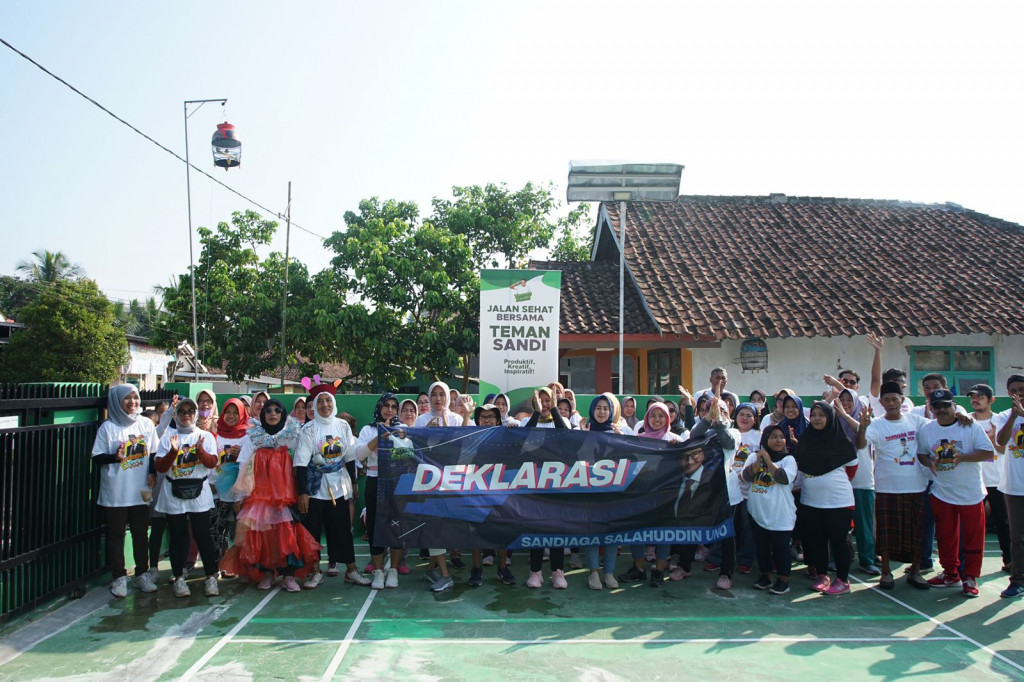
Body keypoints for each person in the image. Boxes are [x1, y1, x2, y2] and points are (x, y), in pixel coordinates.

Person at [220, 399, 322, 592]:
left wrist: (302, 491)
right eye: (268, 410)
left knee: (287, 535)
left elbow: (301, 461)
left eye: (277, 410)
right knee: (263, 536)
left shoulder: (292, 435)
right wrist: (239, 496)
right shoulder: (253, 437)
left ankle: (289, 575)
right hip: (260, 495)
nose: (272, 414)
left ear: (283, 414)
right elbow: (244, 465)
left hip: (286, 494)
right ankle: (267, 573)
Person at [917, 389, 993, 597]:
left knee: (972, 538)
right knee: (945, 537)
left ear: (954, 407)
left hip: (970, 493)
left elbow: (988, 452)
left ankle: (970, 576)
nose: (941, 410)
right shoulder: (927, 429)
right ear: (931, 408)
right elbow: (922, 453)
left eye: (946, 406)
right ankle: (950, 573)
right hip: (942, 492)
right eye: (937, 406)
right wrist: (928, 461)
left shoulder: (969, 426)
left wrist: (962, 457)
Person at [856, 381, 931, 590]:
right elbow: (861, 444)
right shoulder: (876, 424)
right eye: (886, 400)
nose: (891, 403)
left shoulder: (917, 422)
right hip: (887, 487)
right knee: (887, 534)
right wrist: (862, 427)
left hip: (915, 486)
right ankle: (886, 572)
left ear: (902, 400)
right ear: (881, 402)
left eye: (894, 399)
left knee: (916, 532)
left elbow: (939, 428)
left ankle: (915, 571)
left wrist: (962, 417)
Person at [295, 385, 369, 589]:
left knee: (343, 529)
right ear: (315, 405)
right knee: (313, 529)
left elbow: (350, 456)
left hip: (339, 485)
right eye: (320, 401)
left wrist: (354, 483)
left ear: (334, 403)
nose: (325, 405)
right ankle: (315, 571)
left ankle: (351, 570)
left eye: (328, 401)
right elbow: (300, 462)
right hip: (315, 487)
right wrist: (302, 492)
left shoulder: (343, 426)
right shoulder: (309, 429)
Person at [91, 385, 160, 597]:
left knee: (141, 533)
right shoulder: (108, 428)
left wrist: (152, 472)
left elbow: (153, 453)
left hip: (140, 490)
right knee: (116, 535)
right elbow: (97, 456)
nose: (133, 402)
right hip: (116, 491)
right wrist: (115, 457)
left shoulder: (146, 423)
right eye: (127, 398)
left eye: (135, 398)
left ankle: (142, 573)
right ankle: (119, 577)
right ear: (116, 401)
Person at [154, 399, 221, 597]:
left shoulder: (205, 436)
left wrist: (200, 451)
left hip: (198, 491)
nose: (186, 415)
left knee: (203, 534)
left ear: (196, 413)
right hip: (174, 491)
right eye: (182, 411)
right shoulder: (169, 438)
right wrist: (173, 452)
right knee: (177, 535)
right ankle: (179, 577)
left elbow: (212, 463)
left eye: (190, 411)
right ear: (176, 415)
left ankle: (210, 575)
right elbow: (160, 467)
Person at [794, 401, 859, 595]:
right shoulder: (806, 440)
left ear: (830, 417)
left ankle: (842, 579)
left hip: (838, 502)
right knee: (816, 541)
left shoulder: (842, 442)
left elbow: (852, 470)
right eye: (813, 414)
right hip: (810, 500)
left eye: (821, 415)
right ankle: (822, 575)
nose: (816, 418)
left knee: (839, 541)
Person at [413, 381, 469, 591]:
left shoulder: (456, 418)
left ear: (448, 397)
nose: (438, 398)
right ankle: (445, 575)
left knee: (444, 527)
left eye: (442, 394)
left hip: (452, 482)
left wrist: (452, 421)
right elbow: (415, 449)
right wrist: (424, 434)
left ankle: (431, 569)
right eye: (434, 394)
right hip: (429, 481)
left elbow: (465, 444)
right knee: (434, 526)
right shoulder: (421, 420)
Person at [355, 392, 406, 589]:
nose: (390, 409)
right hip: (375, 481)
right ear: (379, 407)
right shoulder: (368, 430)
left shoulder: (403, 429)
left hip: (396, 482)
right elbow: (359, 455)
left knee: (396, 526)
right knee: (375, 526)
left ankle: (393, 570)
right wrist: (379, 436)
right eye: (386, 405)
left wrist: (397, 439)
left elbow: (409, 455)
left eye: (394, 406)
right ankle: (378, 572)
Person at [742, 425, 798, 595]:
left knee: (781, 549)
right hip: (758, 512)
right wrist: (759, 461)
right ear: (765, 439)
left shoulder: (788, 459)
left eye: (781, 437)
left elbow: (783, 478)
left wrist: (768, 461)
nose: (778, 440)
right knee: (762, 547)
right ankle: (765, 575)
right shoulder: (753, 456)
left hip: (780, 514)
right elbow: (746, 477)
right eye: (773, 436)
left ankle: (783, 580)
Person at [467, 404, 517, 587]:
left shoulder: (506, 437)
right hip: (476, 490)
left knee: (501, 530)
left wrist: (513, 432)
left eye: (490, 417)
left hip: (500, 490)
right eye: (483, 417)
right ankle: (476, 568)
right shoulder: (471, 437)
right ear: (478, 420)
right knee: (475, 530)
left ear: (498, 420)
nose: (486, 420)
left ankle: (503, 568)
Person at [582, 393, 627, 590]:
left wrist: (622, 442)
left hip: (614, 493)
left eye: (605, 408)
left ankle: (608, 572)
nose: (602, 412)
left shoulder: (620, 432)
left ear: (611, 411)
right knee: (593, 532)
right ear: (592, 410)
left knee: (612, 533)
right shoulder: (583, 431)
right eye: (598, 408)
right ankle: (593, 573)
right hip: (591, 493)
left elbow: (631, 459)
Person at [967, 384, 1011, 573]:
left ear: (991, 400)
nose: (976, 400)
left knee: (1003, 523)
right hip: (973, 481)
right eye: (973, 397)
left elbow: (1002, 450)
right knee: (971, 525)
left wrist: (993, 440)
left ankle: (1009, 560)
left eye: (981, 396)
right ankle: (966, 565)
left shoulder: (1001, 420)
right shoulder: (966, 420)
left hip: (997, 480)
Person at [836, 388, 881, 576]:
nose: (846, 403)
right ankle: (835, 558)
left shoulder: (865, 423)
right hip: (839, 481)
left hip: (862, 480)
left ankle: (867, 559)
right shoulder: (834, 423)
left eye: (849, 399)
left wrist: (846, 416)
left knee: (864, 525)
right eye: (842, 399)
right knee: (838, 525)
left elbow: (861, 440)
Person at [210, 398, 253, 579]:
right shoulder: (214, 435)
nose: (231, 416)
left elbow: (250, 465)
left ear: (243, 414)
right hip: (217, 494)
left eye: (236, 412)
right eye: (228, 412)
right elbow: (210, 463)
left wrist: (239, 456)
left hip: (238, 495)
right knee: (216, 532)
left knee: (238, 533)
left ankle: (239, 566)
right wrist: (211, 485)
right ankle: (217, 566)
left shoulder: (248, 436)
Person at [994, 375, 1024, 598]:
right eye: (1013, 390)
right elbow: (1002, 442)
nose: (1018, 393)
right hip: (1015, 486)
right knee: (1017, 537)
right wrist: (1015, 415)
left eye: (1022, 389)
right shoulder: (1004, 416)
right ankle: (1018, 579)